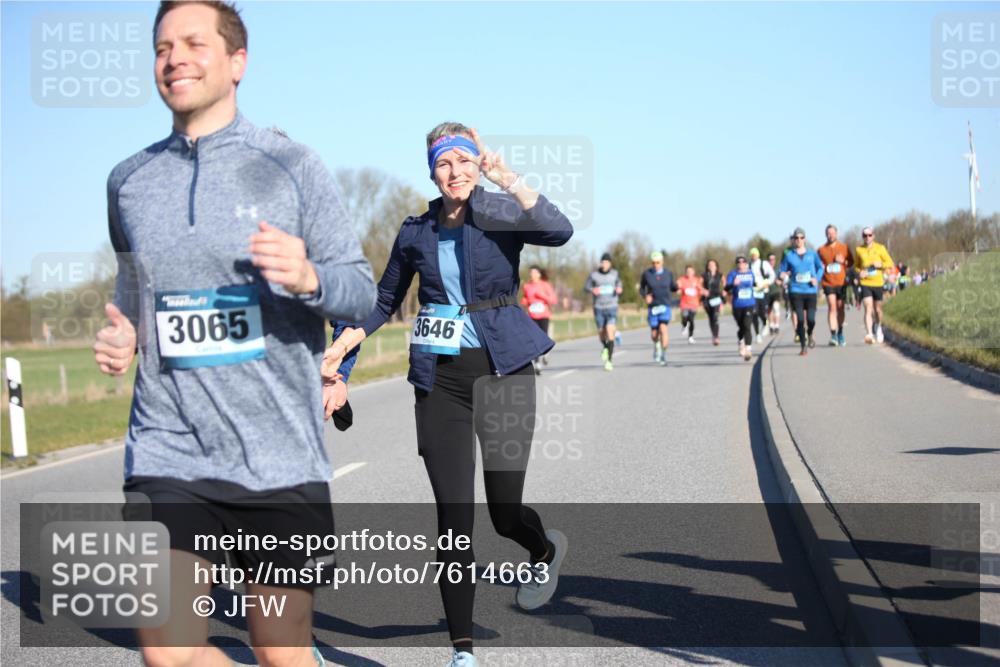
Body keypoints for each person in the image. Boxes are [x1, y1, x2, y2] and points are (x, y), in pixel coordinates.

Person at [93, 3, 376, 666]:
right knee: (170, 653)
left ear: (237, 62)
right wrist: (125, 330)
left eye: (194, 42)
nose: (174, 57)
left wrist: (310, 276)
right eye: (162, 46)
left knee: (281, 653)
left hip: (279, 453)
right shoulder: (128, 182)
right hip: (170, 449)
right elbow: (132, 280)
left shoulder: (293, 165)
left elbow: (360, 289)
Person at [322, 123, 572, 667]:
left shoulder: (500, 213)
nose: (455, 172)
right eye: (444, 163)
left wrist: (507, 176)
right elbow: (384, 298)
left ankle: (543, 550)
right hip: (441, 384)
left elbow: (559, 231)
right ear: (430, 170)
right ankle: (463, 652)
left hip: (505, 373)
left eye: (464, 160)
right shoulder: (415, 231)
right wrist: (347, 347)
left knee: (505, 513)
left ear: (477, 164)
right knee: (454, 520)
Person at [779, 227, 824, 356]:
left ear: (805, 239)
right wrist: (782, 274)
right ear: (793, 240)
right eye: (796, 238)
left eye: (801, 237)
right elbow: (781, 270)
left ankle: (810, 334)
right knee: (799, 319)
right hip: (795, 290)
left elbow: (820, 268)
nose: (799, 240)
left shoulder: (812, 254)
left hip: (810, 290)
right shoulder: (789, 255)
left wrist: (817, 278)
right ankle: (803, 346)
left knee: (811, 320)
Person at [855, 226, 894, 344]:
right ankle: (869, 334)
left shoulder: (880, 248)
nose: (867, 237)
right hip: (865, 282)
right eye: (865, 235)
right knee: (868, 307)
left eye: (869, 235)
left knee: (877, 310)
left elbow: (890, 263)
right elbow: (857, 266)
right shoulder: (859, 249)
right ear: (862, 237)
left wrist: (880, 264)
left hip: (878, 282)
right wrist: (859, 272)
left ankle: (878, 326)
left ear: (873, 236)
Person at [584, 252, 623, 371]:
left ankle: (609, 361)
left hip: (612, 306)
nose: (604, 264)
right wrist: (592, 289)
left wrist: (619, 289)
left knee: (610, 330)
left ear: (610, 263)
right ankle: (605, 347)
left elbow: (619, 284)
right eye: (602, 262)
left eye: (606, 262)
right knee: (601, 332)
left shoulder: (615, 274)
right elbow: (585, 287)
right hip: (598, 307)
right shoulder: (594, 275)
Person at [817, 224, 854, 347]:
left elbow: (851, 263)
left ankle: (840, 333)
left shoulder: (844, 247)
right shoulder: (821, 250)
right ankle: (833, 335)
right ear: (825, 234)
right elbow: (817, 265)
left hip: (841, 282)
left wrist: (843, 261)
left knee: (840, 308)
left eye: (832, 233)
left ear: (836, 234)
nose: (830, 235)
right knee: (832, 307)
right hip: (828, 282)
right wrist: (820, 267)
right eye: (828, 233)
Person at [639, 251, 677, 366]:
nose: (656, 265)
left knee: (663, 328)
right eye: (653, 262)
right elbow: (641, 288)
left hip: (665, 305)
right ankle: (656, 345)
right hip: (653, 307)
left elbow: (673, 286)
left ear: (662, 262)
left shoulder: (668, 273)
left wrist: (678, 287)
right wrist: (645, 296)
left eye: (658, 262)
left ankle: (663, 354)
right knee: (654, 334)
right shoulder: (647, 274)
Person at [522, 265, 558, 373]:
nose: (532, 275)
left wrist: (542, 296)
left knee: (543, 337)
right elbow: (525, 299)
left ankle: (545, 354)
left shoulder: (545, 285)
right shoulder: (527, 286)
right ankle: (537, 363)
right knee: (534, 339)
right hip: (532, 316)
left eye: (534, 273)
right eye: (530, 273)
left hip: (543, 316)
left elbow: (554, 300)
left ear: (539, 274)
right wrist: (524, 301)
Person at [725, 255, 757, 360]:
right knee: (741, 327)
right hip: (737, 305)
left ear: (746, 264)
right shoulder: (733, 274)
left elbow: (755, 284)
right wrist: (733, 284)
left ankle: (748, 349)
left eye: (743, 262)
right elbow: (726, 288)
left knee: (747, 325)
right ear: (737, 264)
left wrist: (761, 285)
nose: (741, 264)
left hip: (749, 303)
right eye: (739, 262)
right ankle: (740, 341)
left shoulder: (751, 273)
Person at [748, 247, 775, 344]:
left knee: (762, 312)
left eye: (755, 254)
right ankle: (757, 334)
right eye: (752, 254)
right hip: (753, 292)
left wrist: (766, 282)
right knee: (754, 312)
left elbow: (772, 275)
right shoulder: (749, 265)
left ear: (758, 255)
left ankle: (765, 323)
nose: (753, 256)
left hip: (763, 291)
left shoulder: (764, 264)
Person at [676, 265, 703, 344]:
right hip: (684, 303)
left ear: (693, 272)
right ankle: (684, 325)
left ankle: (690, 337)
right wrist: (678, 290)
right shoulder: (682, 279)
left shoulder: (696, 280)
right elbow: (678, 288)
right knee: (684, 317)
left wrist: (704, 292)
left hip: (694, 304)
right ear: (686, 272)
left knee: (691, 320)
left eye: (691, 271)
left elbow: (700, 289)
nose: (689, 273)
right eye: (688, 271)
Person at [701, 259, 724, 346]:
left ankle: (716, 337)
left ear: (716, 266)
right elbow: (698, 285)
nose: (711, 266)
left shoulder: (720, 275)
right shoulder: (704, 275)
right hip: (707, 299)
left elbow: (725, 284)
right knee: (711, 318)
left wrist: (724, 292)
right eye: (709, 265)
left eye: (713, 264)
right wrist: (703, 290)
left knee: (715, 316)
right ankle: (714, 335)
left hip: (716, 298)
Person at [766, 252, 782, 334]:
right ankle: (771, 325)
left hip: (776, 291)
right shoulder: (765, 270)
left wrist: (779, 282)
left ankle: (777, 326)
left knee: (776, 307)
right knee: (769, 310)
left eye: (773, 259)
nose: (772, 261)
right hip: (768, 292)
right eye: (770, 259)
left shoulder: (778, 270)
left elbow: (783, 280)